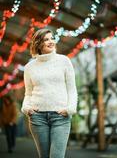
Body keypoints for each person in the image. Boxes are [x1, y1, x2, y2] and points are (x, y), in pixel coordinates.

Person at [21, 29, 78, 158]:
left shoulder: (64, 61)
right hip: (37, 118)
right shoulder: (29, 67)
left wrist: (70, 109)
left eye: (52, 38)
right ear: (38, 43)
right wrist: (26, 108)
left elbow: (72, 89)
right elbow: (28, 93)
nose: (51, 42)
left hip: (60, 117)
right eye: (46, 39)